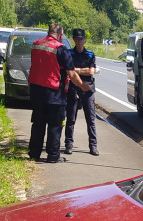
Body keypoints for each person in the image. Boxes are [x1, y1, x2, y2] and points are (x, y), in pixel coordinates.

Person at [27, 23, 89, 163]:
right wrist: (82, 86)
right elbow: (71, 74)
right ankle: (53, 155)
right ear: (60, 35)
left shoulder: (36, 44)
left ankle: (34, 153)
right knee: (55, 125)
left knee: (38, 123)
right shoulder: (60, 49)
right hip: (53, 93)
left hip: (36, 90)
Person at [64, 28, 99, 156]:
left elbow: (91, 72)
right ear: (74, 39)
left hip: (88, 89)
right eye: (77, 39)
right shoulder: (69, 53)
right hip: (73, 88)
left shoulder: (90, 54)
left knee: (91, 119)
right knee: (71, 118)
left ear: (84, 40)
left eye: (81, 39)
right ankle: (68, 144)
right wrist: (79, 71)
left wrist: (75, 71)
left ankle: (93, 146)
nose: (79, 41)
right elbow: (67, 71)